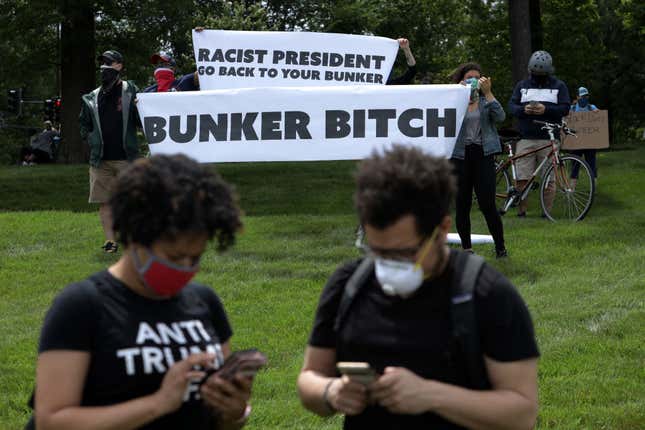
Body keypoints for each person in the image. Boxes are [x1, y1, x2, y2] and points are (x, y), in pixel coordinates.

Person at [297, 145, 539, 429]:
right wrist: (331, 392)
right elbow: (310, 377)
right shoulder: (349, 285)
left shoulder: (487, 295)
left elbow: (521, 413)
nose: (387, 264)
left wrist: (431, 395)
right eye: (376, 251)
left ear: (442, 230)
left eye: (402, 253)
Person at [28, 154, 254, 430]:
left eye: (195, 257)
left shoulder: (205, 302)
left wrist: (233, 413)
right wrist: (157, 403)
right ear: (135, 235)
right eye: (174, 256)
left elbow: (216, 420)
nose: (184, 268)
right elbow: (51, 422)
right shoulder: (82, 306)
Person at [80, 50, 140, 253]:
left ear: (120, 66)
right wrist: (91, 139)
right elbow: (84, 125)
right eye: (102, 63)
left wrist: (141, 108)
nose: (104, 67)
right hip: (101, 161)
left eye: (109, 63)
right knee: (105, 203)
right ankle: (110, 242)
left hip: (127, 158)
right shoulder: (92, 97)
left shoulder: (131, 91)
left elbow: (144, 120)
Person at [450, 62, 507, 258]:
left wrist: (489, 93)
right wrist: (456, 94)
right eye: (468, 78)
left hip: (483, 154)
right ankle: (467, 248)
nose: (472, 80)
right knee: (462, 203)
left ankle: (500, 247)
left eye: (476, 77)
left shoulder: (485, 101)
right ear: (461, 80)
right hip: (460, 156)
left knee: (487, 203)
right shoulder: (453, 101)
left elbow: (500, 116)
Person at [509, 50, 571, 217]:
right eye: (535, 74)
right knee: (523, 177)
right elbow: (512, 107)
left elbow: (565, 108)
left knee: (549, 179)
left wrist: (546, 109)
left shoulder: (559, 86)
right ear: (530, 71)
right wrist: (524, 109)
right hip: (525, 137)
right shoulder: (522, 86)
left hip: (549, 138)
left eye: (541, 74)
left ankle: (546, 213)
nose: (538, 77)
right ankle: (522, 212)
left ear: (549, 72)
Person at [569, 86, 599, 186]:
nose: (584, 98)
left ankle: (593, 187)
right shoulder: (572, 108)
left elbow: (600, 118)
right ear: (577, 97)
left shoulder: (592, 107)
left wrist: (597, 113)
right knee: (575, 165)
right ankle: (572, 188)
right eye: (582, 96)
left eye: (586, 96)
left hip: (590, 142)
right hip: (576, 142)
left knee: (592, 165)